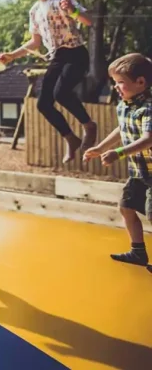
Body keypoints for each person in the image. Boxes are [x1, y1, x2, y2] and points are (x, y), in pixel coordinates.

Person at [0, 0, 97, 163]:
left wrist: (72, 11)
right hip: (57, 58)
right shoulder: (34, 11)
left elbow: (88, 21)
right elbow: (35, 42)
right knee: (43, 104)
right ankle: (71, 139)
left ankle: (88, 125)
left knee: (61, 93)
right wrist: (12, 55)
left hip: (75, 54)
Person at [83, 53, 152, 273]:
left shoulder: (148, 108)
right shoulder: (124, 105)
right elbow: (121, 129)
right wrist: (101, 147)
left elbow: (148, 139)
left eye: (120, 82)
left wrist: (119, 153)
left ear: (140, 82)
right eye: (114, 81)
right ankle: (138, 251)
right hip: (139, 172)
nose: (115, 87)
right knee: (126, 207)